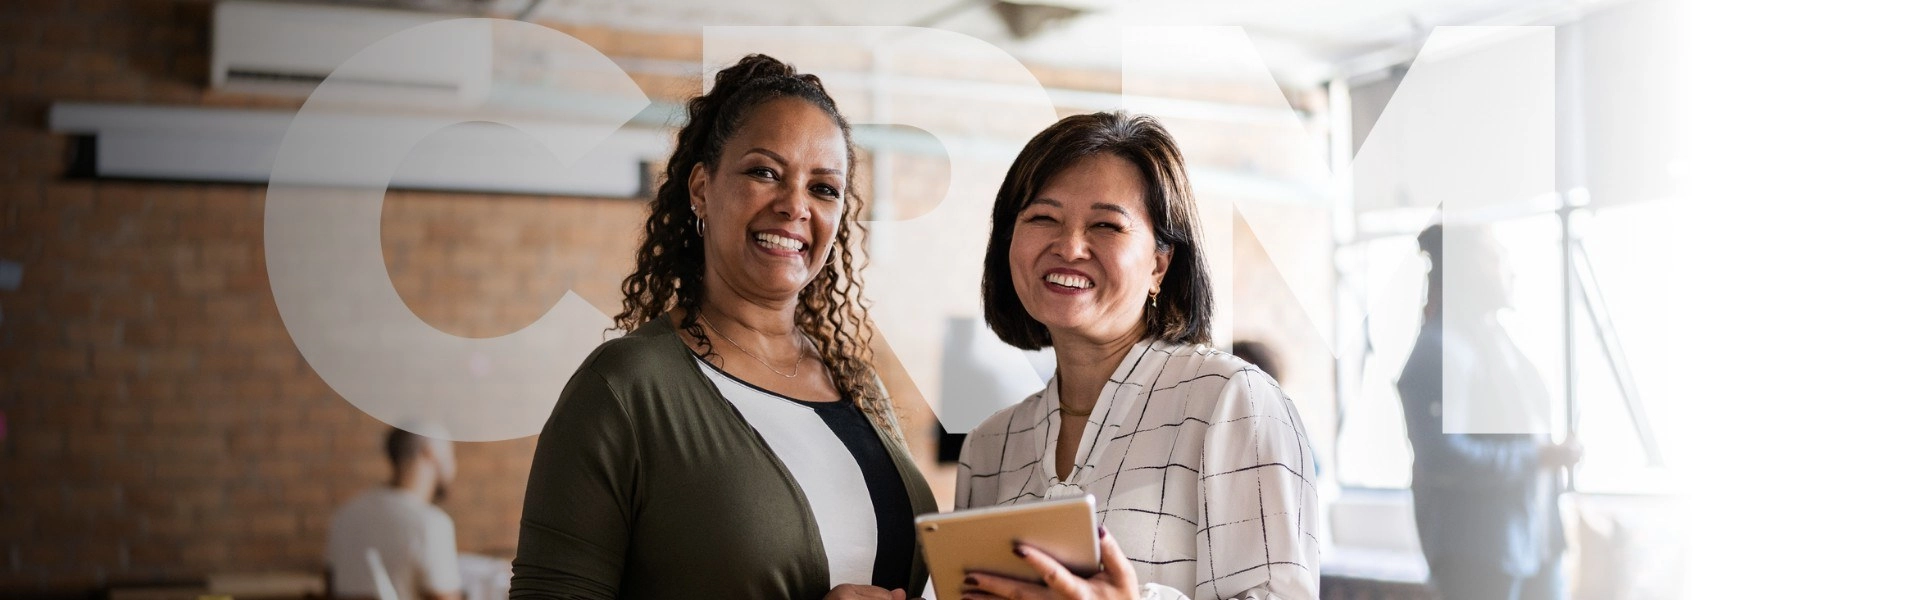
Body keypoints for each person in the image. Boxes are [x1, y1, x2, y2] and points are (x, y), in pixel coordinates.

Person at [508, 54, 937, 600]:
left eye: (823, 188)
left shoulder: (857, 386)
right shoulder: (626, 389)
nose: (794, 206)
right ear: (701, 188)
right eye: (764, 172)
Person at [955, 111, 1319, 600]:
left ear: (1159, 265)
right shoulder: (988, 448)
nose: (1069, 246)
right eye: (1043, 217)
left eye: (1106, 225)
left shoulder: (1232, 402)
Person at [1396, 224, 1582, 600]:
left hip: (1535, 540)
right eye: (1496, 258)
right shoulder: (1438, 351)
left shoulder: (1495, 339)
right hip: (1480, 555)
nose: (1510, 270)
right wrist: (1539, 456)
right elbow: (1443, 457)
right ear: (1464, 268)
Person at [326, 427, 462, 600]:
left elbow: (330, 586)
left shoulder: (345, 515)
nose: (453, 465)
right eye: (450, 455)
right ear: (430, 453)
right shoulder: (432, 523)